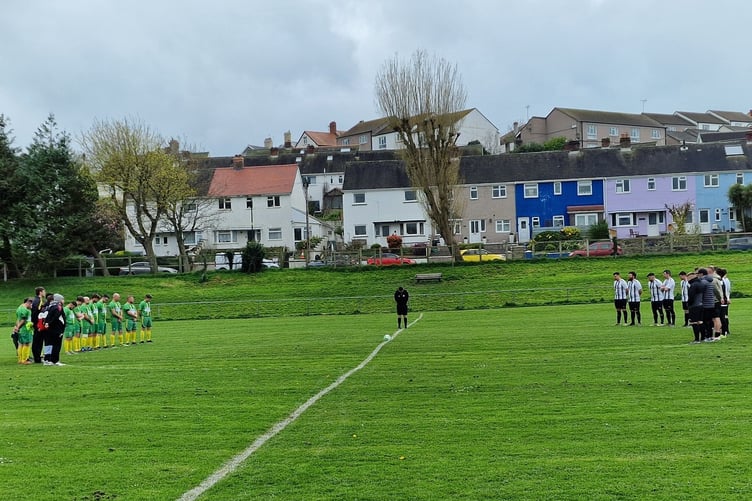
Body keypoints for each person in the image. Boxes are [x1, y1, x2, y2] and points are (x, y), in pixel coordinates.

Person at [43, 293, 66, 366]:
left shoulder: (49, 306)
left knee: (49, 344)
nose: (63, 301)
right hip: (56, 329)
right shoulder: (58, 307)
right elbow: (56, 318)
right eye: (62, 299)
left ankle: (47, 359)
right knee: (57, 344)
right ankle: (55, 360)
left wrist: (47, 323)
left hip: (49, 329)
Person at [686, 271, 706, 343]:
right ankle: (703, 338)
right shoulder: (701, 283)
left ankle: (697, 339)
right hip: (701, 305)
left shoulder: (693, 285)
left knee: (694, 322)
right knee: (700, 322)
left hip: (694, 306)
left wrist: (688, 304)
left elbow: (691, 297)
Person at [13, 297, 34, 364]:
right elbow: (23, 320)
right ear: (28, 302)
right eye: (31, 304)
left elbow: (18, 319)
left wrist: (17, 327)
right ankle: (24, 360)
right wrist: (18, 327)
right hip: (25, 329)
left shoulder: (19, 308)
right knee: (27, 343)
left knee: (20, 344)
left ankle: (20, 359)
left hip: (21, 329)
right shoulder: (25, 310)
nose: (31, 306)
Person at [30, 286, 46, 363]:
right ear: (40, 292)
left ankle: (38, 356)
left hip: (37, 324)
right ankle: (37, 358)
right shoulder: (38, 300)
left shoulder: (37, 300)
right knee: (38, 341)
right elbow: (35, 313)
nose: (45, 293)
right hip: (38, 324)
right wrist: (36, 323)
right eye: (44, 291)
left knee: (38, 340)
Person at [718, 268, 730, 337]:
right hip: (724, 300)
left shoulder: (724, 281)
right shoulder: (724, 280)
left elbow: (727, 291)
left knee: (723, 316)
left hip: (723, 300)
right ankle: (725, 330)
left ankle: (725, 330)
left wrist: (727, 298)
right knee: (724, 316)